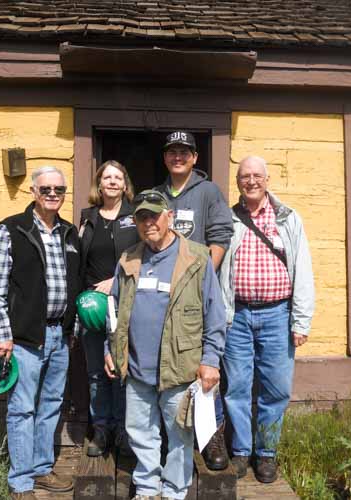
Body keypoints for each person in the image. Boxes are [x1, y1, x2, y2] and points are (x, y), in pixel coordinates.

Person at [104, 190, 226, 500]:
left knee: (180, 435)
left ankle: (174, 490)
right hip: (136, 368)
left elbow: (215, 313)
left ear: (168, 216)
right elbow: (113, 310)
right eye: (142, 217)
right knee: (140, 433)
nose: (148, 223)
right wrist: (110, 350)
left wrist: (211, 359)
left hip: (180, 367)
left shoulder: (197, 258)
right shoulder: (128, 259)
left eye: (154, 216)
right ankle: (147, 487)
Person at [0, 166, 80, 498]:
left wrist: (72, 328)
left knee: (51, 403)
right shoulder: (13, 229)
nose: (53, 195)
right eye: (46, 189)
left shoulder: (69, 232)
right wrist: (2, 333)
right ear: (33, 192)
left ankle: (41, 469)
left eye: (59, 190)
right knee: (22, 408)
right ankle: (21, 481)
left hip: (59, 337)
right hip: (23, 338)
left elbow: (75, 285)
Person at [219, 156, 315, 483]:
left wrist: (300, 321)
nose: (251, 181)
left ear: (267, 179)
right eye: (245, 176)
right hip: (238, 316)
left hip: (278, 315)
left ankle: (268, 453)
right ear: (238, 182)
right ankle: (242, 450)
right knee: (237, 387)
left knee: (276, 388)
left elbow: (302, 271)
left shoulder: (288, 219)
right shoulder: (228, 219)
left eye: (257, 175)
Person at [155, 130, 233, 470]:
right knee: (168, 366)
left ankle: (211, 439)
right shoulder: (156, 194)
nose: (178, 157)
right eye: (172, 151)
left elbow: (219, 238)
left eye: (184, 152)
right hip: (160, 296)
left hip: (196, 295)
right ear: (165, 157)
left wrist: (199, 278)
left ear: (195, 157)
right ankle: (168, 439)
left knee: (205, 365)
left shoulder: (209, 191)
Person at [78, 160, 139, 456]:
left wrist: (115, 280)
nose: (113, 182)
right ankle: (100, 428)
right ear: (99, 185)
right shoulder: (87, 217)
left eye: (118, 177)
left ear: (125, 185)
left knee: (120, 369)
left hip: (124, 302)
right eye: (107, 177)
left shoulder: (135, 217)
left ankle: (123, 430)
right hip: (92, 304)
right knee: (95, 372)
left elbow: (144, 257)